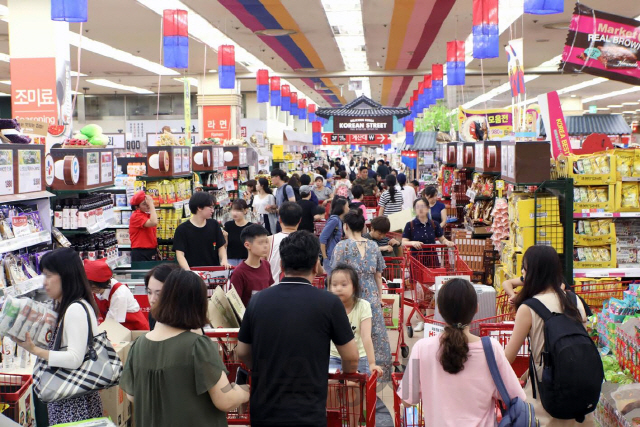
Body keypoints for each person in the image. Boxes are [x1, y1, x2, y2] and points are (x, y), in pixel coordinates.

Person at [237, 231, 359, 427]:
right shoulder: (329, 303)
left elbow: (242, 351)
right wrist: (346, 374)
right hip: (308, 412)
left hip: (264, 411)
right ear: (315, 265)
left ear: (282, 266)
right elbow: (351, 357)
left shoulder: (258, 300)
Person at [120, 269, 250, 427]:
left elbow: (132, 396)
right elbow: (225, 400)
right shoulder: (198, 346)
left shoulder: (139, 345)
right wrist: (244, 391)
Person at [398, 278, 526, 426]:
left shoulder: (421, 348)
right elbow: (517, 398)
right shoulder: (491, 348)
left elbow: (406, 400)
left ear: (439, 310)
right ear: (476, 308)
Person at [504, 245, 592, 426]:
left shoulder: (528, 308)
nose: (522, 272)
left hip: (546, 401)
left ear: (533, 272)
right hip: (580, 399)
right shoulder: (575, 301)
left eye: (524, 268)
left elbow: (507, 358)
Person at [16, 248, 103, 425]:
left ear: (65, 276)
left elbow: (74, 359)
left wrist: (35, 350)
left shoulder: (75, 309)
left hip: (73, 400)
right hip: (71, 394)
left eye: (48, 275)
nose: (44, 282)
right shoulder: (71, 306)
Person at [331, 209, 392, 382]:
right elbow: (379, 275)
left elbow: (336, 275)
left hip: (350, 298)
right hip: (372, 295)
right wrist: (379, 297)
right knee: (374, 337)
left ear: (346, 226)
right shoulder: (373, 246)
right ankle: (376, 375)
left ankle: (350, 373)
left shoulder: (341, 246)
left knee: (351, 335)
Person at [402, 198, 454, 333]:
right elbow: (403, 242)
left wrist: (447, 242)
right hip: (417, 261)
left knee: (432, 289)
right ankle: (420, 320)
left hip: (432, 261)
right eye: (417, 206)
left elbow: (441, 238)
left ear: (427, 209)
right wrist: (412, 243)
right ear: (414, 209)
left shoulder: (434, 224)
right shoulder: (410, 225)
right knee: (419, 290)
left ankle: (431, 319)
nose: (420, 209)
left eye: (423, 206)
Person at [328, 264, 383, 376]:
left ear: (354, 287)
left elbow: (366, 337)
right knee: (331, 387)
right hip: (333, 356)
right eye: (334, 285)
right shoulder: (326, 307)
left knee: (354, 386)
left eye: (344, 284)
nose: (338, 288)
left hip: (359, 357)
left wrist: (372, 363)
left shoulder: (363, 306)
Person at [86, 259, 149, 330]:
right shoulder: (98, 290)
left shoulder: (118, 294)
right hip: (119, 330)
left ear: (102, 284)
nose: (92, 291)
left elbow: (112, 323)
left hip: (134, 329)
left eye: (94, 288)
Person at [173, 192, 229, 270]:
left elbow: (221, 247)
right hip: (192, 275)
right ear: (199, 207)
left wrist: (224, 261)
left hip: (214, 273)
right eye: (210, 207)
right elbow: (180, 255)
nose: (212, 211)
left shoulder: (214, 225)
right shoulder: (182, 229)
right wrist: (189, 272)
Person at [229, 224, 274, 306]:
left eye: (267, 242)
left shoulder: (266, 265)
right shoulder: (239, 273)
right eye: (260, 243)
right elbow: (233, 303)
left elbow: (269, 289)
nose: (265, 246)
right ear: (247, 245)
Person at [268, 202, 302, 282]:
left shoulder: (268, 240)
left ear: (280, 219)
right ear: (300, 220)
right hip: (299, 289)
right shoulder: (307, 241)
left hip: (273, 289)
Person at [144, 263, 181, 330]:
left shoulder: (188, 323)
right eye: (149, 292)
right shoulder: (154, 314)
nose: (152, 300)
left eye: (159, 294)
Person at [319, 198, 349, 276]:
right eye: (347, 206)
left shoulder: (339, 220)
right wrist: (325, 258)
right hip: (330, 257)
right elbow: (322, 238)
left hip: (335, 256)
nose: (349, 208)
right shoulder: (334, 220)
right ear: (342, 207)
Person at [128, 191, 158, 262]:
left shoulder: (145, 214)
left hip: (149, 251)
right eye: (144, 204)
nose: (147, 205)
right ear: (137, 207)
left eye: (147, 203)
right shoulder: (136, 216)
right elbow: (154, 222)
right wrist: (151, 205)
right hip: (141, 253)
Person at [223, 199, 252, 267]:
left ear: (245, 211)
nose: (235, 213)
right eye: (233, 210)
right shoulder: (228, 225)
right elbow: (224, 246)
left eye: (238, 210)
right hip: (231, 260)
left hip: (246, 260)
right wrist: (225, 237)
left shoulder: (250, 227)